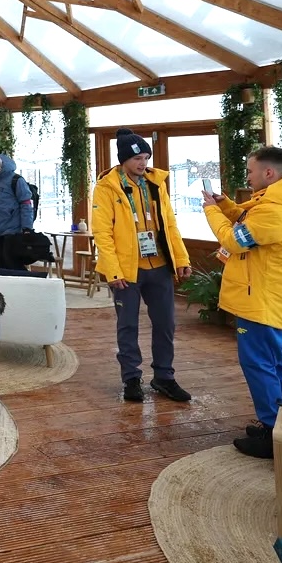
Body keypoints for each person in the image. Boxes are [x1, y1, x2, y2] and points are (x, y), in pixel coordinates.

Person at [203, 146, 282, 459]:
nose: (247, 175)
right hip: (280, 302)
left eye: (250, 170)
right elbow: (249, 222)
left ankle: (273, 433)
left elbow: (234, 240)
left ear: (268, 173)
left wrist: (210, 211)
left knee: (259, 364)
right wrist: (227, 206)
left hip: (263, 303)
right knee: (280, 360)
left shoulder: (273, 211)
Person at [92, 128, 193, 404]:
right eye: (138, 158)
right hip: (127, 270)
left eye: (146, 157)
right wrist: (113, 271)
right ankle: (131, 379)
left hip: (159, 266)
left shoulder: (156, 184)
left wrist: (181, 258)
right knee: (128, 326)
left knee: (165, 324)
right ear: (124, 159)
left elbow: (170, 225)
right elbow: (102, 233)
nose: (143, 163)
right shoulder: (106, 188)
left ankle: (164, 377)